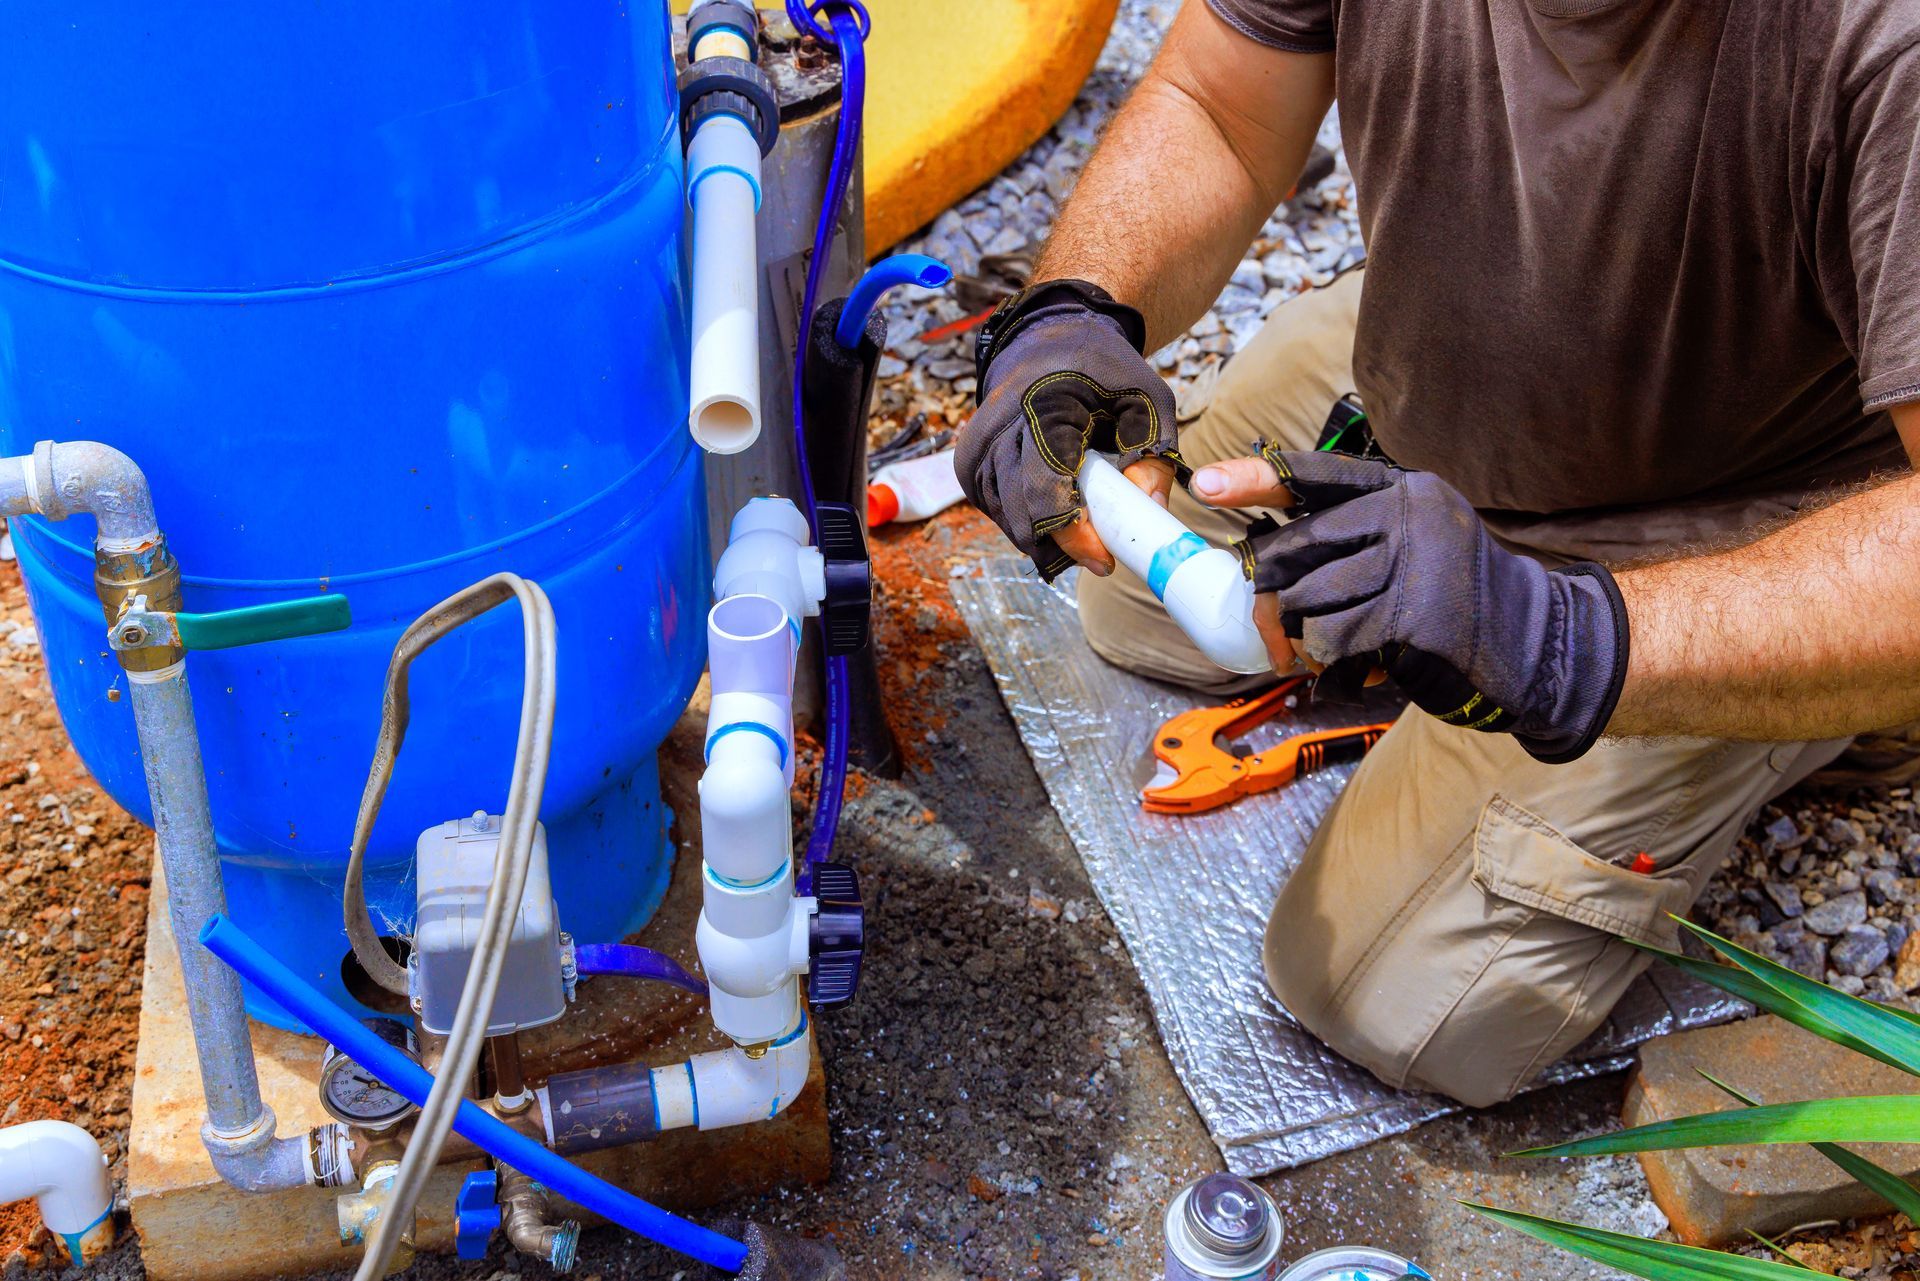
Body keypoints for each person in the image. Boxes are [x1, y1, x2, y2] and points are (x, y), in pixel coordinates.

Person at [955, 0, 1920, 1107]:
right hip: (1477, 358)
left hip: (1738, 517)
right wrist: (1072, 318)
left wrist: (1549, 639)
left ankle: (1853, 708)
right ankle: (1496, 387)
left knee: (1385, 1002)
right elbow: (1217, 107)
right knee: (1126, 600)